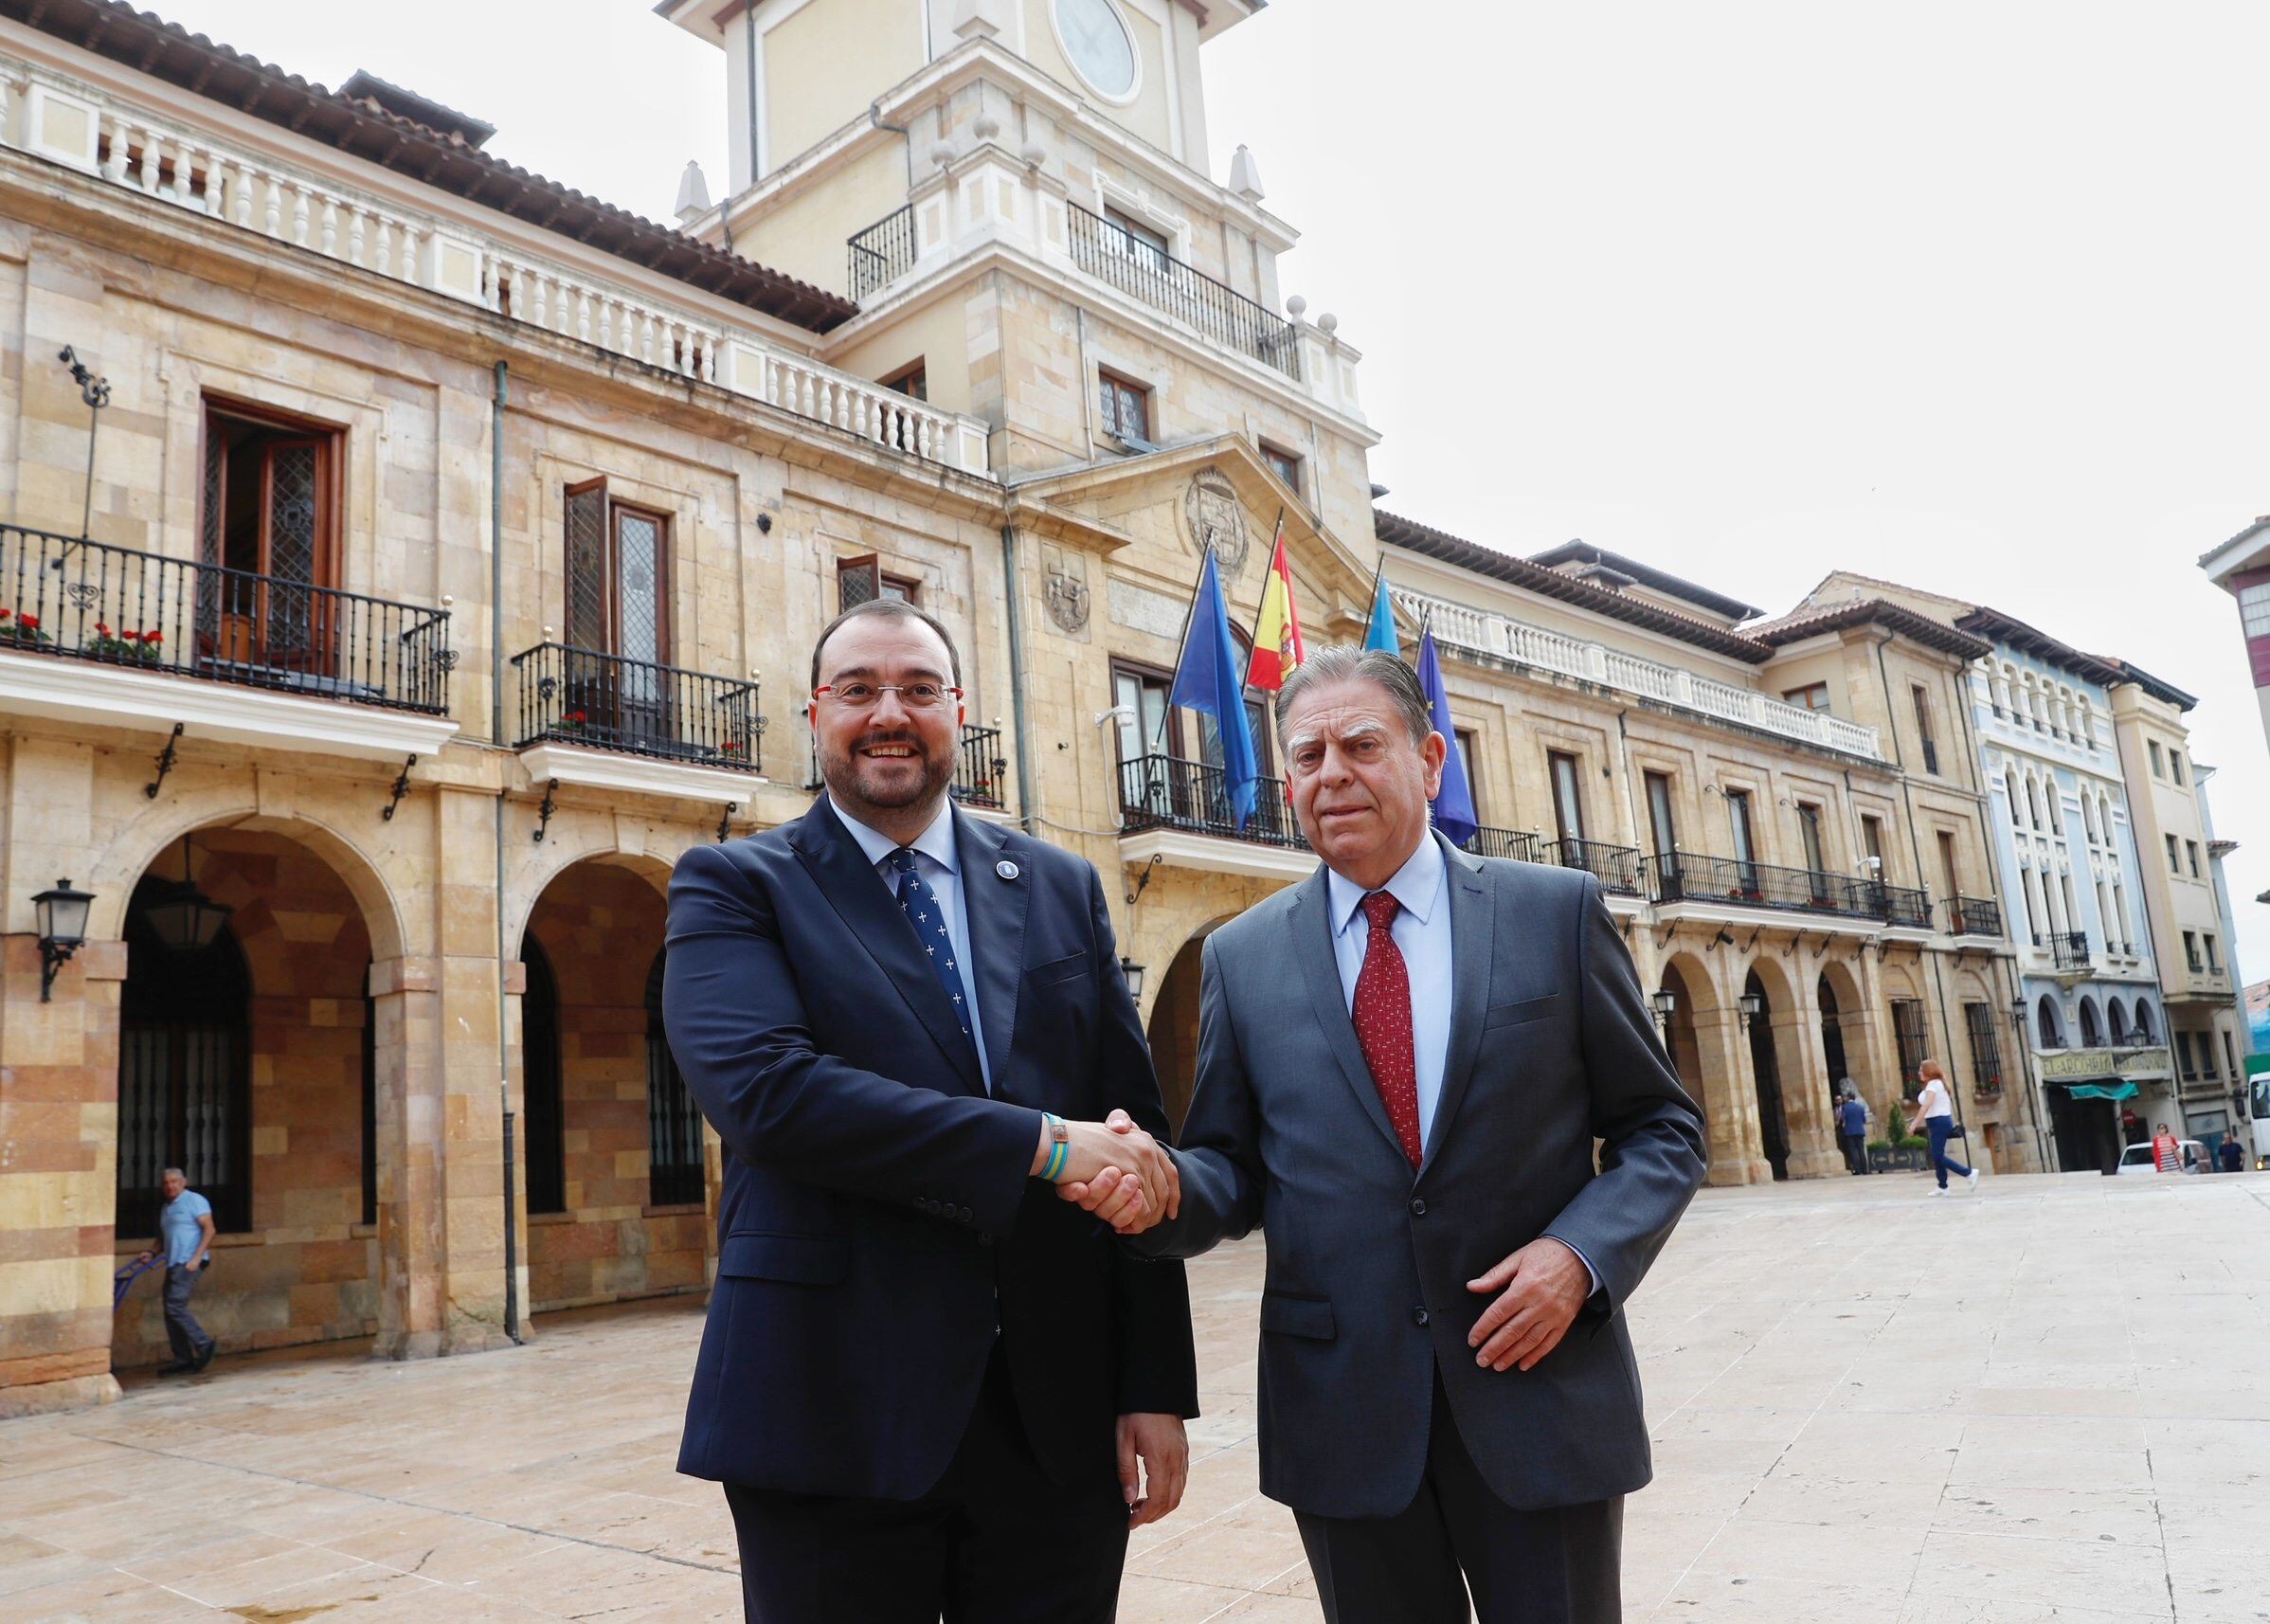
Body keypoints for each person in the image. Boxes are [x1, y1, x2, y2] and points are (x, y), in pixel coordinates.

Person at [1067, 645, 1707, 1624]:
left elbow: (1660, 1128)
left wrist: (1579, 1257)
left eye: (1361, 744)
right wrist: (1159, 1191)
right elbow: (1231, 1169)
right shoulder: (1244, 957)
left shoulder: (1551, 916)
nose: (1332, 773)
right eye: (1308, 755)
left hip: (1538, 1393)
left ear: (1429, 760)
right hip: (1343, 1414)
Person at [660, 598, 1198, 1624]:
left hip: (1052, 1420)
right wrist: (1041, 1146)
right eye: (857, 689)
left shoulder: (1057, 885)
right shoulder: (735, 886)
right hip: (829, 1411)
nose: (887, 713)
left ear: (958, 710)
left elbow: (1131, 1143)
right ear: (815, 714)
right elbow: (775, 1098)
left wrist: (1152, 1382)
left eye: (917, 688)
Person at [137, 1167, 215, 1375]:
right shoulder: (167, 1208)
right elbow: (164, 1238)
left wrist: (197, 1258)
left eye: (174, 1181)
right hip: (173, 1263)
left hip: (189, 1262)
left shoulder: (194, 1200)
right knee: (170, 1310)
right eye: (166, 1183)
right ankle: (183, 1359)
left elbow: (209, 1229)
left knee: (175, 1305)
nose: (170, 1186)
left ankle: (203, 1343)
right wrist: (152, 1253)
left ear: (183, 1182)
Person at [1905, 1060, 1978, 1195]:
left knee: (1937, 1156)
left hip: (1939, 1122)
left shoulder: (1934, 1085)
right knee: (1937, 1155)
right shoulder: (1936, 1084)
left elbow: (1926, 1106)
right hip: (1936, 1122)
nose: (1919, 1072)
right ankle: (1943, 1186)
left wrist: (1914, 1124)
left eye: (1922, 1070)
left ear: (1929, 1071)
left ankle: (1968, 1173)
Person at [1839, 1087, 1870, 1175]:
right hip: (1860, 1131)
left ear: (1848, 1098)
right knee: (1861, 1150)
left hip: (1850, 1131)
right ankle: (1865, 1169)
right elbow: (1864, 1120)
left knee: (1853, 1151)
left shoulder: (1845, 1107)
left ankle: (1858, 1170)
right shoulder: (1860, 1107)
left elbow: (1842, 1118)